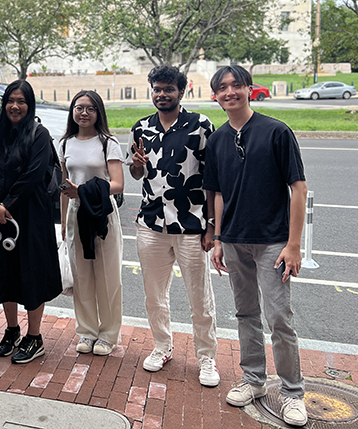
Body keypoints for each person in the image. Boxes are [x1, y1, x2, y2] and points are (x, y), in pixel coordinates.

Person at [204, 65, 308, 427]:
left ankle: (293, 393)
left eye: (236, 85)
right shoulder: (217, 140)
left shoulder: (276, 132)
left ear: (249, 88)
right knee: (245, 314)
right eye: (222, 88)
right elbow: (216, 193)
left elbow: (299, 188)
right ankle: (253, 379)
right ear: (214, 95)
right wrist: (218, 238)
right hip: (233, 241)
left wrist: (294, 245)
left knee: (279, 317)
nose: (230, 92)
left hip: (273, 242)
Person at [128, 66, 219, 387]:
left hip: (191, 224)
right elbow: (138, 175)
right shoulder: (142, 128)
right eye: (157, 88)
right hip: (151, 223)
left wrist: (212, 228)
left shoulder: (200, 126)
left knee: (200, 297)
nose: (161, 94)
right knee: (154, 295)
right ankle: (162, 346)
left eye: (168, 89)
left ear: (182, 91)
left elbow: (213, 179)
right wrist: (136, 167)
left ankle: (206, 356)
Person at [0, 79, 62, 364]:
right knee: (5, 273)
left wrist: (4, 205)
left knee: (32, 273)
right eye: (10, 101)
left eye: (21, 101)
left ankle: (35, 336)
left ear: (30, 105)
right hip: (0, 216)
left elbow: (32, 176)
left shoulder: (39, 134)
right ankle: (12, 330)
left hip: (31, 217)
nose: (15, 106)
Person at [59, 90, 124, 357]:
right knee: (82, 276)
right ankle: (86, 331)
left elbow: (118, 184)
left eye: (90, 108)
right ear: (72, 111)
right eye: (79, 108)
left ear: (99, 112)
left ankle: (108, 334)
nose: (84, 113)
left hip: (102, 213)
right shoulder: (64, 143)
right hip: (76, 214)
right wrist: (64, 221)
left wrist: (83, 192)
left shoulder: (108, 142)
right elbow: (64, 186)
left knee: (109, 276)